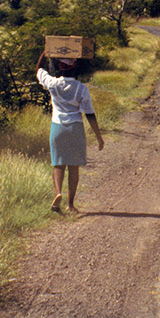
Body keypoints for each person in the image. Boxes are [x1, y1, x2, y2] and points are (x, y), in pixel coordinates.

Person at [35, 51, 104, 212]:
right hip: (75, 127)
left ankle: (58, 193)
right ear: (74, 68)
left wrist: (46, 52)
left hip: (57, 127)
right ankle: (70, 204)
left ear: (60, 68)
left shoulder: (53, 83)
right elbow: (89, 114)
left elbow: (38, 69)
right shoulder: (81, 89)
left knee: (58, 164)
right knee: (74, 167)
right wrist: (99, 137)